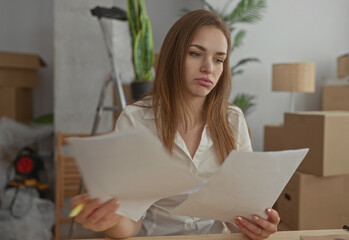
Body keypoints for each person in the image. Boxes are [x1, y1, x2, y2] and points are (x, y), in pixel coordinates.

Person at [71, 9, 280, 240]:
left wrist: (258, 226)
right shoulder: (136, 120)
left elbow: (241, 217)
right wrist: (107, 219)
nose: (208, 68)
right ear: (173, 56)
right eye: (195, 53)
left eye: (218, 59)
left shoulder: (233, 120)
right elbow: (129, 223)